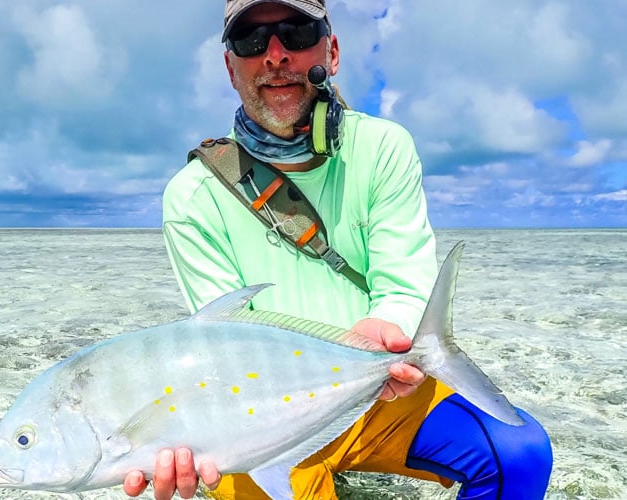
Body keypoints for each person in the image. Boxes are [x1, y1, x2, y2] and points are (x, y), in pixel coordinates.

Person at [124, 1, 553, 499]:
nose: (276, 55)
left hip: (384, 388)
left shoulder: (383, 148)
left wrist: (388, 331)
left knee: (519, 453)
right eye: (252, 41)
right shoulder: (192, 196)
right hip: (258, 419)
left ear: (331, 49)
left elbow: (402, 277)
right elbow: (224, 340)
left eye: (296, 31)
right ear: (230, 67)